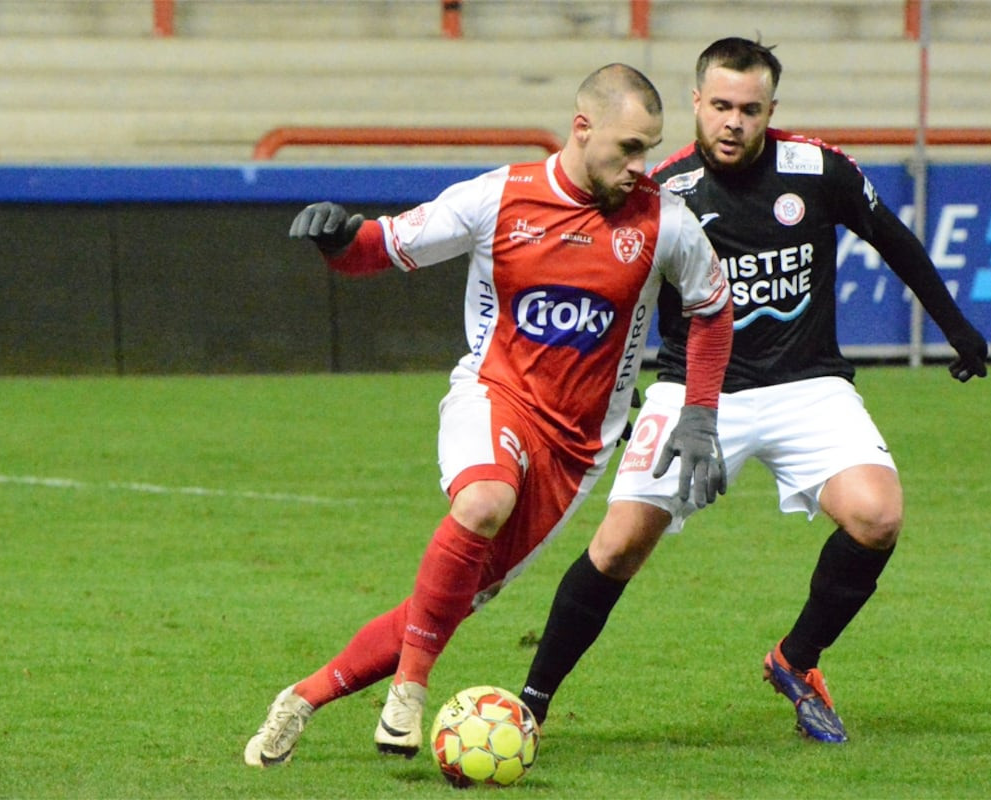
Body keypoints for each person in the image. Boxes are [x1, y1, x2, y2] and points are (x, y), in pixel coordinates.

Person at [243, 63, 734, 767]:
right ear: (582, 126)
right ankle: (409, 693)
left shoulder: (666, 223)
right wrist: (337, 241)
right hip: (493, 394)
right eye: (628, 148)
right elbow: (379, 250)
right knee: (482, 501)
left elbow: (714, 312)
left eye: (649, 149)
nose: (640, 166)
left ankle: (302, 698)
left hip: (577, 452)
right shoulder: (497, 196)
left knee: (449, 603)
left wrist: (701, 414)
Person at [518, 37, 989, 744]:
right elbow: (614, 299)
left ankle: (796, 660)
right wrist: (610, 401)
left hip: (808, 384)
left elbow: (893, 239)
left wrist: (957, 328)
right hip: (693, 387)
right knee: (618, 548)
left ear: (771, 110)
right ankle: (531, 702)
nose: (733, 122)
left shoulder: (818, 171)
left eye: (750, 109)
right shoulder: (662, 192)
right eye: (720, 107)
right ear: (696, 104)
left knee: (877, 516)